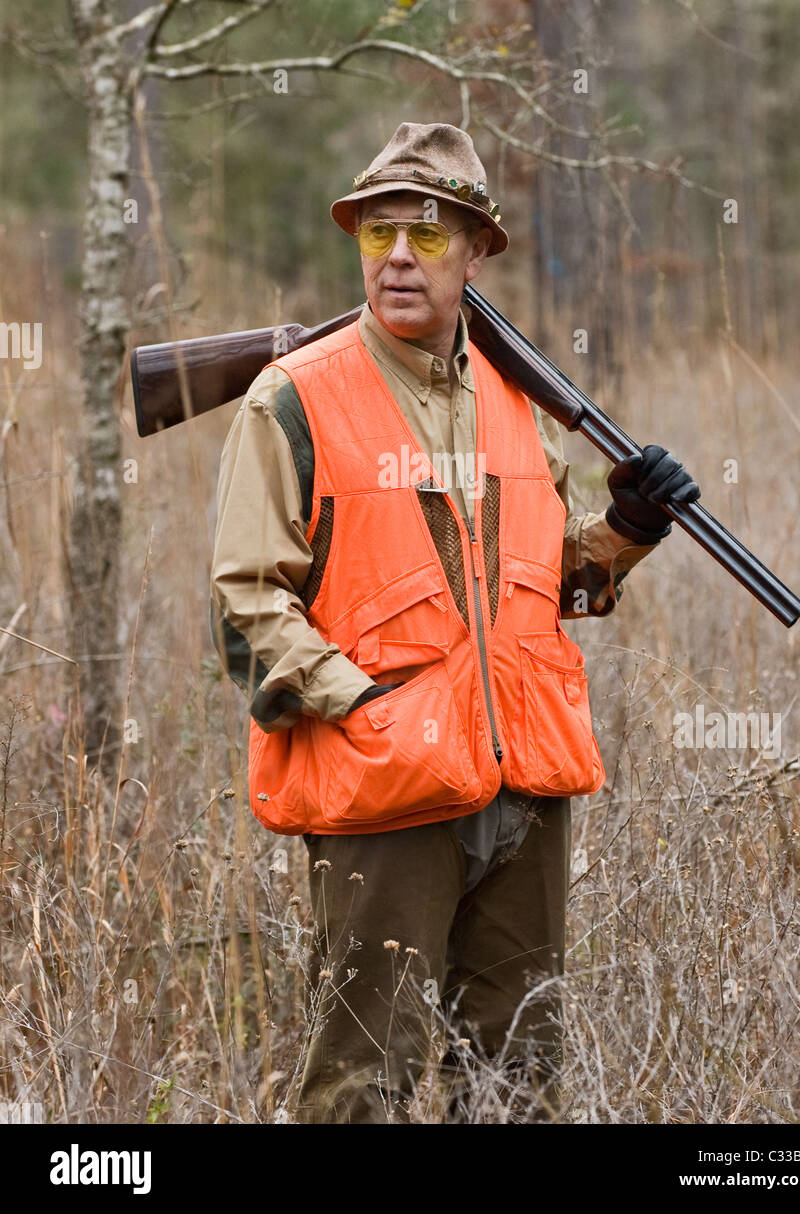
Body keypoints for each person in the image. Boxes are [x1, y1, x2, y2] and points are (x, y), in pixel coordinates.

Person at [210, 121, 699, 1123]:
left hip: (526, 786)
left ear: (477, 250)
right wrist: (362, 705)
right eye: (377, 233)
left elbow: (548, 582)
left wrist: (633, 527)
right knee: (361, 1082)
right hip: (384, 790)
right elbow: (246, 598)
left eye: (428, 236)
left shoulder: (518, 403)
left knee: (520, 1075)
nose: (397, 256)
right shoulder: (293, 397)